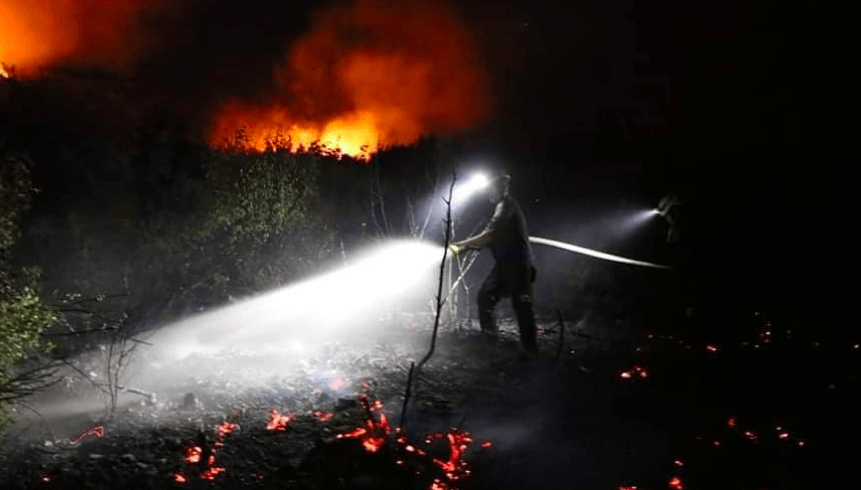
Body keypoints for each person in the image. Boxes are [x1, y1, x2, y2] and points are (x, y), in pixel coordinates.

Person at [449, 173, 539, 358]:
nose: (488, 192)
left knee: (522, 306)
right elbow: (491, 239)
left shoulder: (506, 205)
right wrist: (467, 247)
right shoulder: (502, 207)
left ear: (500, 188)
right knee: (485, 297)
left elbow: (491, 233)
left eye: (491, 188)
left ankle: (531, 353)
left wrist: (461, 245)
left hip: (519, 265)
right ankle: (491, 345)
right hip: (504, 265)